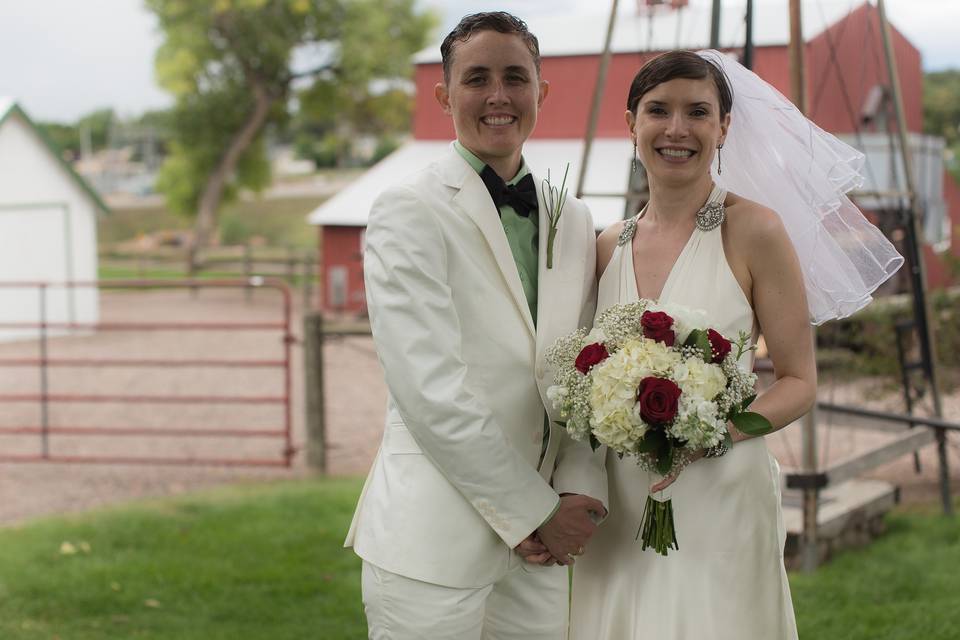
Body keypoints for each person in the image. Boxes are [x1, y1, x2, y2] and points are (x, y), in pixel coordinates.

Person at [568, 50, 901, 639]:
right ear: (630, 124)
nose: (677, 129)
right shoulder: (606, 245)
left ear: (723, 128)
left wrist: (718, 432)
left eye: (698, 112)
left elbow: (799, 382)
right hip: (621, 501)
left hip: (722, 493)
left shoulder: (756, 231)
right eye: (658, 111)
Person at [344, 12, 607, 640]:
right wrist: (534, 513)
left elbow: (584, 368)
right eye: (477, 79)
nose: (498, 96)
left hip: (542, 553)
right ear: (444, 96)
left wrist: (578, 494)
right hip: (432, 544)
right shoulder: (408, 210)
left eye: (516, 77)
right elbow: (430, 389)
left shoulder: (572, 219)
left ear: (542, 92)